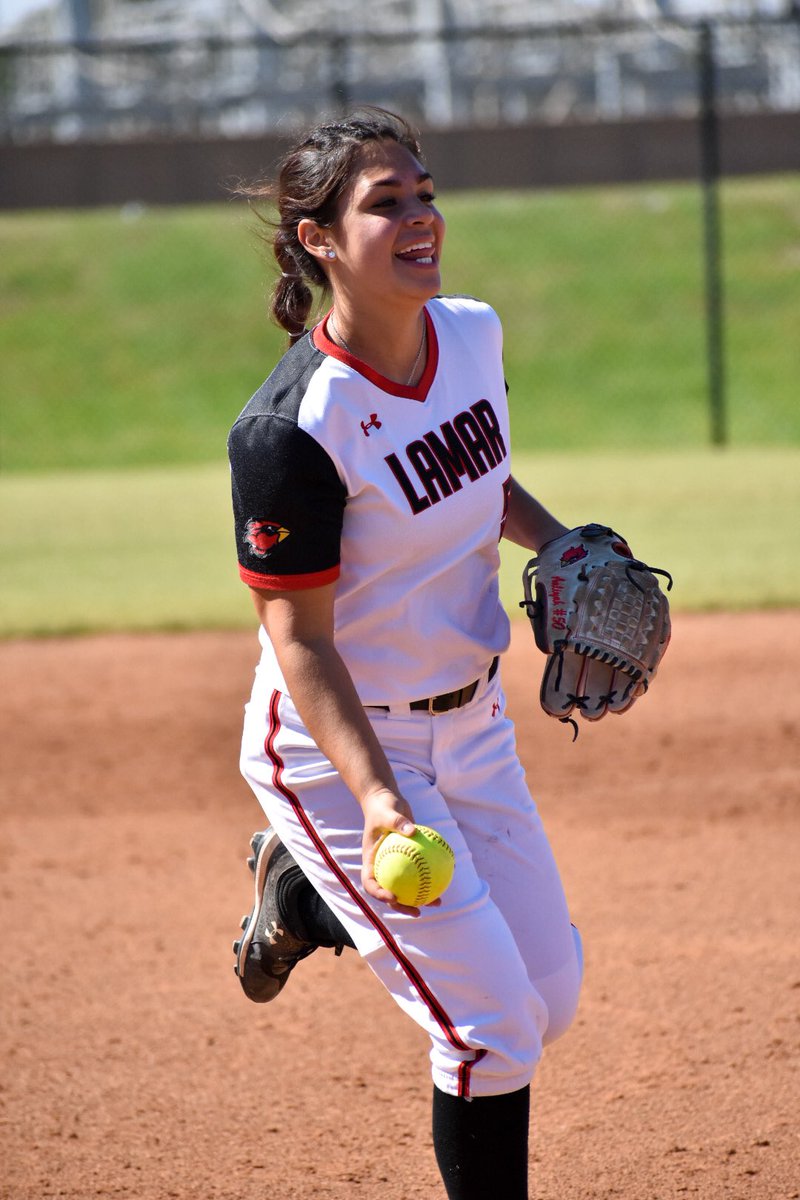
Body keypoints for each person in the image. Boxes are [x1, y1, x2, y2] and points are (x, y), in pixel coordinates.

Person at [227, 107, 583, 1200]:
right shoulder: (295, 428)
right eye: (386, 204)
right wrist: (379, 801)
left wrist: (561, 539)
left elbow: (476, 482)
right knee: (488, 1033)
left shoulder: (470, 333)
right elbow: (297, 635)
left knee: (546, 998)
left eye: (424, 194)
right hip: (344, 752)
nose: (422, 218)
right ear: (318, 238)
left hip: (471, 722)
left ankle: (302, 900)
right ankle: (316, 856)